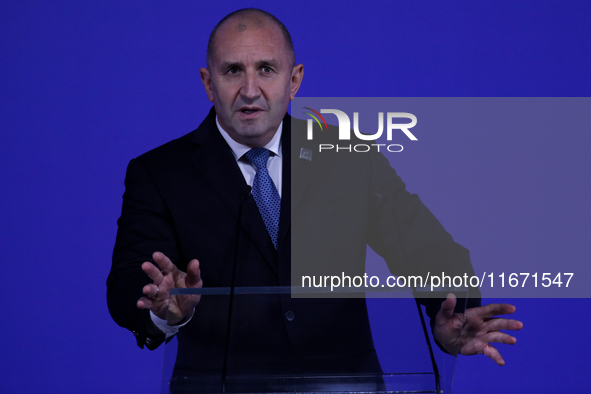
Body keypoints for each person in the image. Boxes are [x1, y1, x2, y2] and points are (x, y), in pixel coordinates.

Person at [107, 7, 523, 391]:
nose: (250, 89)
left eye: (266, 69)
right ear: (207, 82)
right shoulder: (160, 172)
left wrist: (453, 311)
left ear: (294, 80)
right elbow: (127, 284)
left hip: (344, 386)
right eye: (233, 70)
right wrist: (165, 309)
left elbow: (428, 250)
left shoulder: (348, 157)